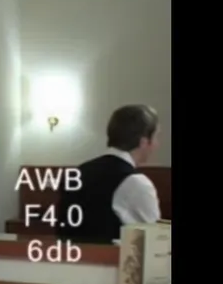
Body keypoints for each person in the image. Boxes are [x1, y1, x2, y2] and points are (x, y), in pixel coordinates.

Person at [57, 104, 162, 244]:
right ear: (143, 142)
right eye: (155, 137)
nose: (157, 145)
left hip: (69, 256)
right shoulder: (136, 182)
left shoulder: (76, 173)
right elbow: (154, 240)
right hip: (108, 257)